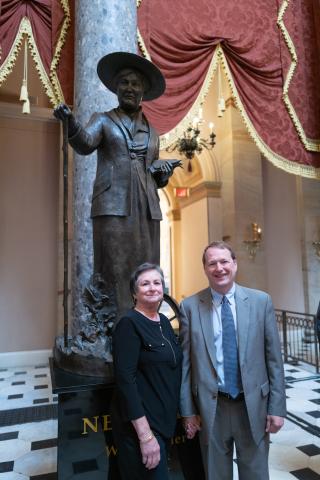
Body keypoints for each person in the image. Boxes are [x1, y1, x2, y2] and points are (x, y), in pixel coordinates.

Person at [54, 52, 181, 320]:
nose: (130, 88)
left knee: (145, 266)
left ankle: (143, 321)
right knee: (113, 266)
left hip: (146, 208)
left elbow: (153, 174)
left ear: (144, 91)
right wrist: (70, 122)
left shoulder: (153, 132)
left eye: (136, 84)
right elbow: (85, 143)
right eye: (124, 82)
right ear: (116, 88)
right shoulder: (103, 119)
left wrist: (163, 174)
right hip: (113, 203)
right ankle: (112, 325)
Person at [179, 241, 286, 480]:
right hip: (211, 409)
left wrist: (277, 408)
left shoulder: (261, 302)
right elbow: (186, 366)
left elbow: (274, 361)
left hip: (253, 407)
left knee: (256, 474)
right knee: (216, 475)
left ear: (235, 264)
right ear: (205, 268)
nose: (219, 268)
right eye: (212, 263)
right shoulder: (190, 307)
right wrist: (187, 412)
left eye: (224, 261)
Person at [111, 263, 182, 479]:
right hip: (143, 428)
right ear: (134, 292)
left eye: (157, 282)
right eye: (145, 284)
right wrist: (145, 436)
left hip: (164, 422)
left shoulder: (163, 321)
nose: (152, 288)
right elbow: (126, 381)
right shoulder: (128, 324)